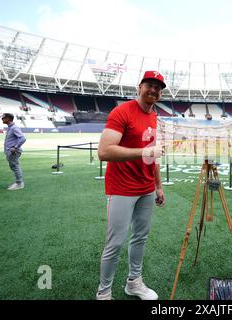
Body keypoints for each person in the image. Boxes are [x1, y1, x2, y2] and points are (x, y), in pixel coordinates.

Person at [95, 71, 166, 300]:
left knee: (140, 237)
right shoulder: (122, 111)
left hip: (146, 188)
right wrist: (143, 152)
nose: (153, 90)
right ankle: (104, 292)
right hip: (122, 187)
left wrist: (158, 186)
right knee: (115, 242)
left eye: (158, 87)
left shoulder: (156, 117)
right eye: (149, 85)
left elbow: (153, 156)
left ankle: (134, 282)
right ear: (139, 86)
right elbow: (104, 152)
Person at [2, 113, 26, 190]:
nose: (2, 119)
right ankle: (19, 182)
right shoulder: (10, 127)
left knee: (15, 166)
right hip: (10, 151)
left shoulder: (14, 128)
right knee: (14, 166)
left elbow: (22, 138)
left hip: (13, 151)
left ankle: (19, 183)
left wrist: (15, 147)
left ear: (8, 118)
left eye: (3, 118)